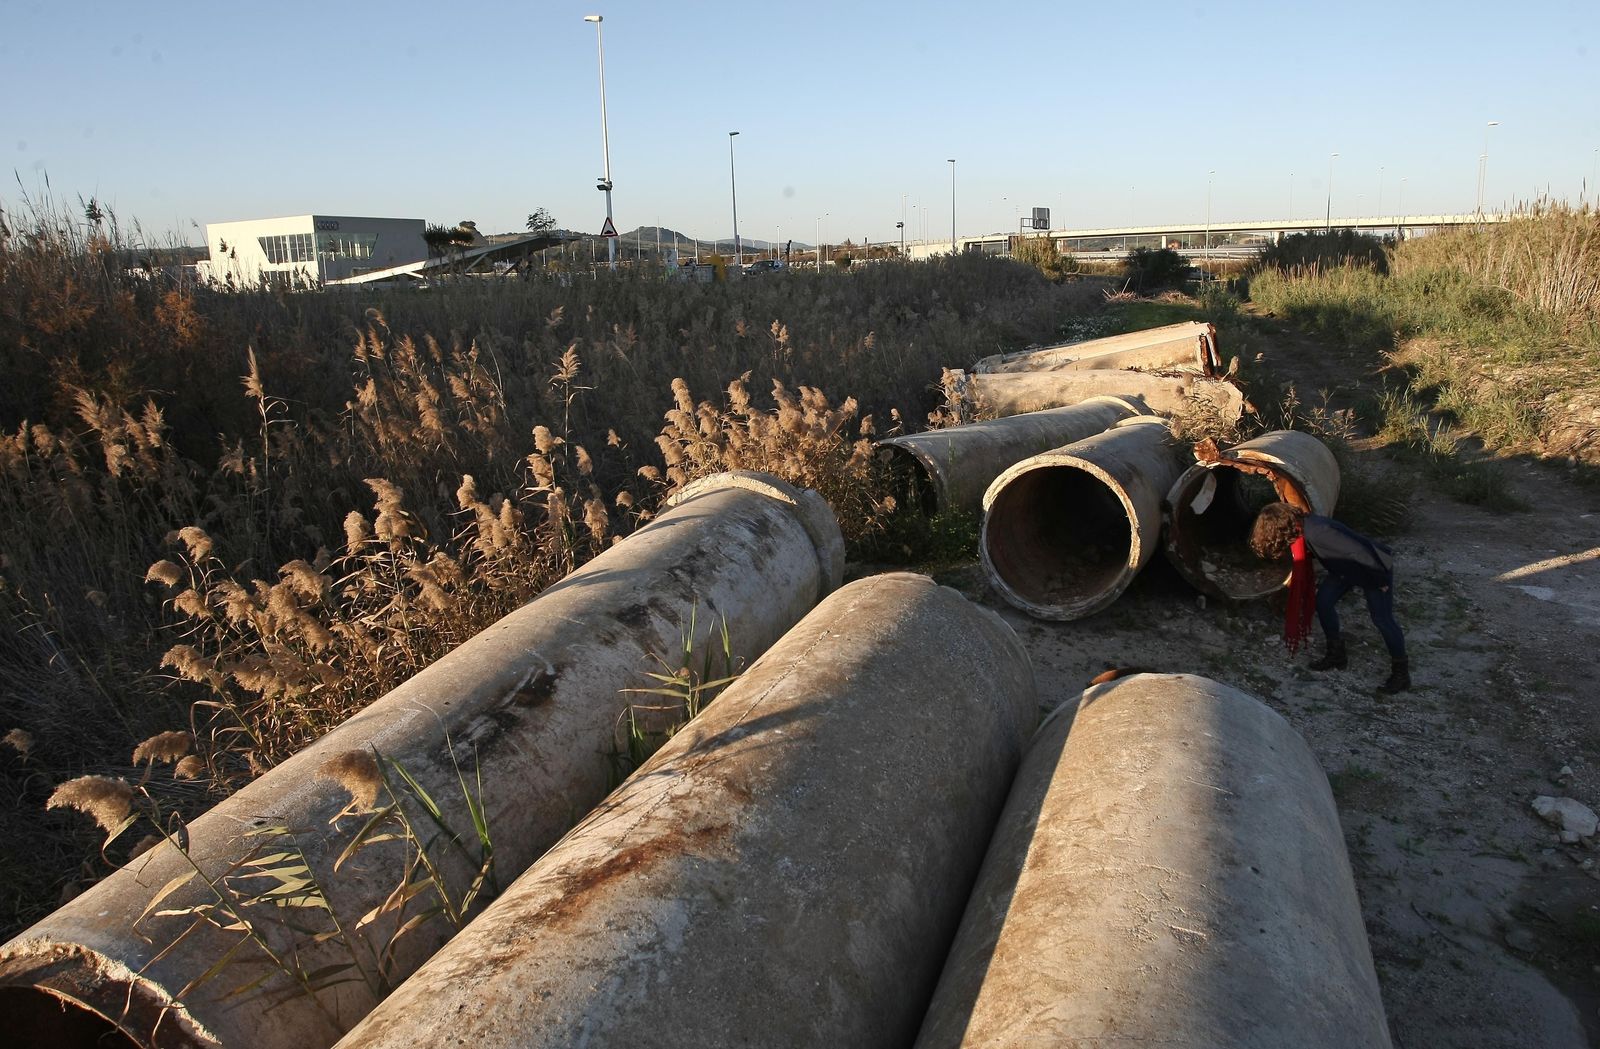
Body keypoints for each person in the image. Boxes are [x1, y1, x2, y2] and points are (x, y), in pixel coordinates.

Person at [1250, 502, 1409, 693]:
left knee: (1382, 619)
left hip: (1373, 568)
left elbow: (1359, 552)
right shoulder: (1303, 530)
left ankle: (1401, 674)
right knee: (1323, 603)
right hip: (1345, 570)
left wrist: (1380, 580)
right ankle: (1336, 654)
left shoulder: (1318, 531)